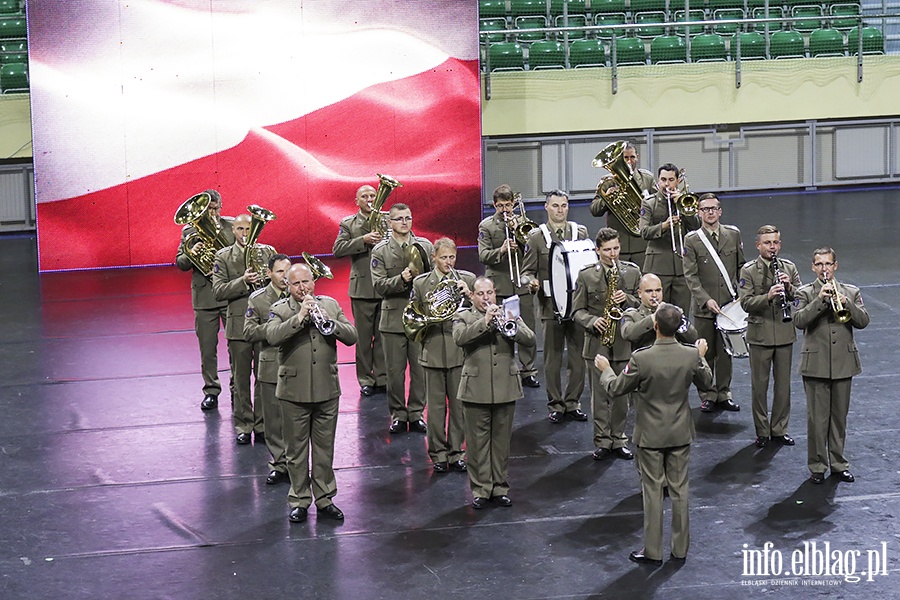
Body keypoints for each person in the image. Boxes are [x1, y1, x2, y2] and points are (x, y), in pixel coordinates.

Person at [594, 303, 712, 566]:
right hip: (680, 433)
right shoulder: (690, 355)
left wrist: (605, 370)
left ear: (655, 326)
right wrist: (701, 356)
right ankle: (680, 549)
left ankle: (653, 550)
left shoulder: (641, 358)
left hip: (650, 436)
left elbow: (616, 388)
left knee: (653, 492)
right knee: (680, 491)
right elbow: (707, 383)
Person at [266, 263, 358, 523]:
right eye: (296, 283)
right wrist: (299, 319)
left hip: (327, 390)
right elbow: (272, 337)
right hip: (293, 392)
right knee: (295, 452)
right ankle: (299, 499)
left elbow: (352, 336)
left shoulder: (329, 305)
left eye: (306, 282)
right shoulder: (279, 309)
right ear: (287, 285)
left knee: (324, 449)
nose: (302, 287)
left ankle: (325, 498)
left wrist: (330, 323)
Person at [453, 277, 535, 508]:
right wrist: (485, 323)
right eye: (481, 294)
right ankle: (481, 489)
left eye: (490, 293)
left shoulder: (509, 312)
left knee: (501, 443)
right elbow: (460, 338)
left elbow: (530, 340)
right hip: (475, 390)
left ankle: (499, 487)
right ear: (473, 296)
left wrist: (513, 325)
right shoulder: (463, 316)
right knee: (477, 444)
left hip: (505, 389)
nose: (486, 298)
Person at [794, 247, 869, 484]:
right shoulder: (805, 293)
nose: (824, 269)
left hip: (843, 364)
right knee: (817, 420)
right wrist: (819, 300)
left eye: (828, 264)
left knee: (839, 418)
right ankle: (817, 466)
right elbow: (799, 320)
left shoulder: (851, 291)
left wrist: (847, 303)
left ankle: (838, 463)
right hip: (815, 364)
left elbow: (863, 321)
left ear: (835, 266)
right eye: (819, 264)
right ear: (813, 267)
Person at [572, 227, 641, 461]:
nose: (613, 254)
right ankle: (602, 440)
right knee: (600, 396)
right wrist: (593, 321)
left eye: (616, 248)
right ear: (597, 250)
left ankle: (619, 438)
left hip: (622, 342)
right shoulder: (586, 275)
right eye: (607, 250)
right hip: (597, 343)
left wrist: (628, 299)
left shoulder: (632, 272)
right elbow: (577, 311)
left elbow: (640, 306)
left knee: (621, 395)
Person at [522, 189, 590, 423]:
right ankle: (555, 404)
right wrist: (530, 283)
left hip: (578, 304)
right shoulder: (536, 237)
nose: (560, 210)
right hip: (550, 304)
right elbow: (526, 272)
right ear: (546, 207)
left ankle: (572, 402)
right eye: (555, 205)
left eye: (564, 205)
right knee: (552, 358)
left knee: (578, 357)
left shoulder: (579, 232)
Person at [410, 238, 475, 473]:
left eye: (452, 257)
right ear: (434, 258)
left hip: (459, 351)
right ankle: (438, 454)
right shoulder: (421, 283)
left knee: (459, 407)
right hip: (433, 349)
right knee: (436, 408)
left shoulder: (466, 279)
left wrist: (468, 295)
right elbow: (413, 316)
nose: (449, 262)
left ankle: (457, 451)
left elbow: (479, 311)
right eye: (444, 257)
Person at [212, 213, 275, 445]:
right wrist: (243, 281)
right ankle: (243, 425)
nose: (244, 234)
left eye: (248, 229)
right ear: (233, 231)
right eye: (239, 229)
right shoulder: (223, 256)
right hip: (238, 326)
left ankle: (261, 425)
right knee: (240, 379)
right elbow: (218, 291)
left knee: (264, 377)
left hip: (263, 323)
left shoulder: (267, 252)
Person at [371, 203, 434, 434]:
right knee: (394, 373)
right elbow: (379, 286)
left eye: (408, 218)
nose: (404, 222)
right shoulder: (380, 251)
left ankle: (416, 412)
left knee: (420, 371)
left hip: (420, 317)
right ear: (390, 222)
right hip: (394, 320)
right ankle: (398, 413)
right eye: (399, 219)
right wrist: (402, 278)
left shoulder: (425, 246)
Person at [738, 225, 802, 448]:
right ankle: (762, 431)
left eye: (775, 242)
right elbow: (745, 303)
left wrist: (789, 287)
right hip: (760, 334)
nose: (772, 247)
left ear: (780, 244)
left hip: (784, 333)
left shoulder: (789, 268)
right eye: (767, 243)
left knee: (783, 386)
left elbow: (800, 298)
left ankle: (779, 429)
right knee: (760, 386)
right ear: (758, 245)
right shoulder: (748, 270)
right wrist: (768, 296)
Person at [682, 193, 745, 413]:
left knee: (726, 352)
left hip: (728, 306)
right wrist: (705, 299)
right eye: (705, 209)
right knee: (705, 353)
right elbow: (691, 276)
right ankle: (707, 394)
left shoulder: (733, 235)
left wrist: (743, 296)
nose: (710, 212)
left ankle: (724, 392)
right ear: (699, 212)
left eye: (714, 208)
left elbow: (741, 268)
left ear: (720, 211)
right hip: (704, 308)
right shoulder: (692, 240)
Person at [174, 189, 235, 411]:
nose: (211, 213)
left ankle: (237, 388)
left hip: (230, 295)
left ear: (221, 206)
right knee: (207, 349)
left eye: (214, 208)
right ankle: (211, 390)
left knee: (236, 347)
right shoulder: (190, 231)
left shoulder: (232, 226)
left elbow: (239, 256)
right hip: (204, 299)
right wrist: (191, 253)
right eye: (207, 209)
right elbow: (180, 263)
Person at [477, 184, 540, 388]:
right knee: (501, 329)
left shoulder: (525, 223)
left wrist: (519, 236)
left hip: (521, 284)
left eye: (508, 205)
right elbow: (483, 255)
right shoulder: (486, 226)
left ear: (514, 203)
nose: (505, 210)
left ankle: (528, 370)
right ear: (494, 205)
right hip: (500, 285)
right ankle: (504, 368)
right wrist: (502, 250)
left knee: (526, 327)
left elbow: (535, 252)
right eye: (500, 206)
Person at [332, 184, 387, 397]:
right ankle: (365, 379)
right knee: (363, 338)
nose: (370, 199)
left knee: (383, 336)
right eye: (364, 196)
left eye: (373, 195)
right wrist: (362, 240)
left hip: (384, 286)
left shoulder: (386, 220)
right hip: (362, 288)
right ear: (357, 201)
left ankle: (382, 377)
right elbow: (337, 250)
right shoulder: (348, 223)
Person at [243, 254, 291, 485]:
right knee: (272, 422)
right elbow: (249, 332)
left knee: (296, 420)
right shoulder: (258, 299)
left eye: (287, 271)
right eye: (280, 272)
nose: (285, 276)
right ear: (269, 273)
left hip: (296, 364)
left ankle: (297, 463)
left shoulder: (299, 295)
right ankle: (280, 464)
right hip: (271, 367)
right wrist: (275, 330)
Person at [639, 164, 700, 315]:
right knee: (657, 313)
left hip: (681, 266)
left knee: (681, 313)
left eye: (671, 180)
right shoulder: (649, 203)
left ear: (677, 181)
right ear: (658, 181)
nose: (667, 184)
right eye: (663, 180)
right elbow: (644, 231)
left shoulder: (686, 200)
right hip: (658, 267)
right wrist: (664, 226)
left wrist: (682, 207)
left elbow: (697, 227)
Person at [590, 141, 657, 265]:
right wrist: (606, 198)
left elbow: (658, 205)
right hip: (617, 245)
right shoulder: (608, 182)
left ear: (637, 157)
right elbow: (594, 210)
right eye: (625, 158)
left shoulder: (647, 179)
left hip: (642, 244)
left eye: (632, 157)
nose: (629, 161)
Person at [621, 274, 699, 352]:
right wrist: (654, 317)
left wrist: (674, 317)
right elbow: (628, 334)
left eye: (658, 290)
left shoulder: (674, 311)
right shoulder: (632, 314)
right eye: (649, 291)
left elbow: (692, 337)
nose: (654, 295)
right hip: (646, 360)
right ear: (639, 293)